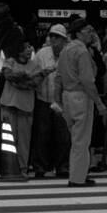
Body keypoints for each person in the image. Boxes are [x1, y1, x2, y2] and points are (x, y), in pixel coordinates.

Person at [54, 20, 107, 187]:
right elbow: (87, 80)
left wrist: (57, 100)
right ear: (78, 33)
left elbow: (58, 77)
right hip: (81, 96)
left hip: (67, 96)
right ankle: (77, 177)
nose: (90, 33)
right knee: (81, 140)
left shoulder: (65, 51)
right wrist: (98, 102)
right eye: (87, 30)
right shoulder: (82, 52)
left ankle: (78, 173)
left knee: (75, 138)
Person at [31, 25, 70, 178]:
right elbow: (33, 75)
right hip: (43, 99)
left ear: (64, 40)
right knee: (42, 134)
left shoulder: (69, 54)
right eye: (52, 36)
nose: (53, 39)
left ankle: (62, 167)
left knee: (63, 136)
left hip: (62, 101)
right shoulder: (41, 54)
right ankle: (40, 166)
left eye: (57, 37)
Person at [0, 40, 39, 176]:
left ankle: (22, 168)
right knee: (8, 139)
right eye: (26, 47)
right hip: (8, 104)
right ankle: (8, 167)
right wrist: (24, 77)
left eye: (30, 47)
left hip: (26, 107)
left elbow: (34, 83)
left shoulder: (35, 65)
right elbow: (7, 75)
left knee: (24, 140)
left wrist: (18, 80)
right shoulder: (10, 61)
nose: (29, 50)